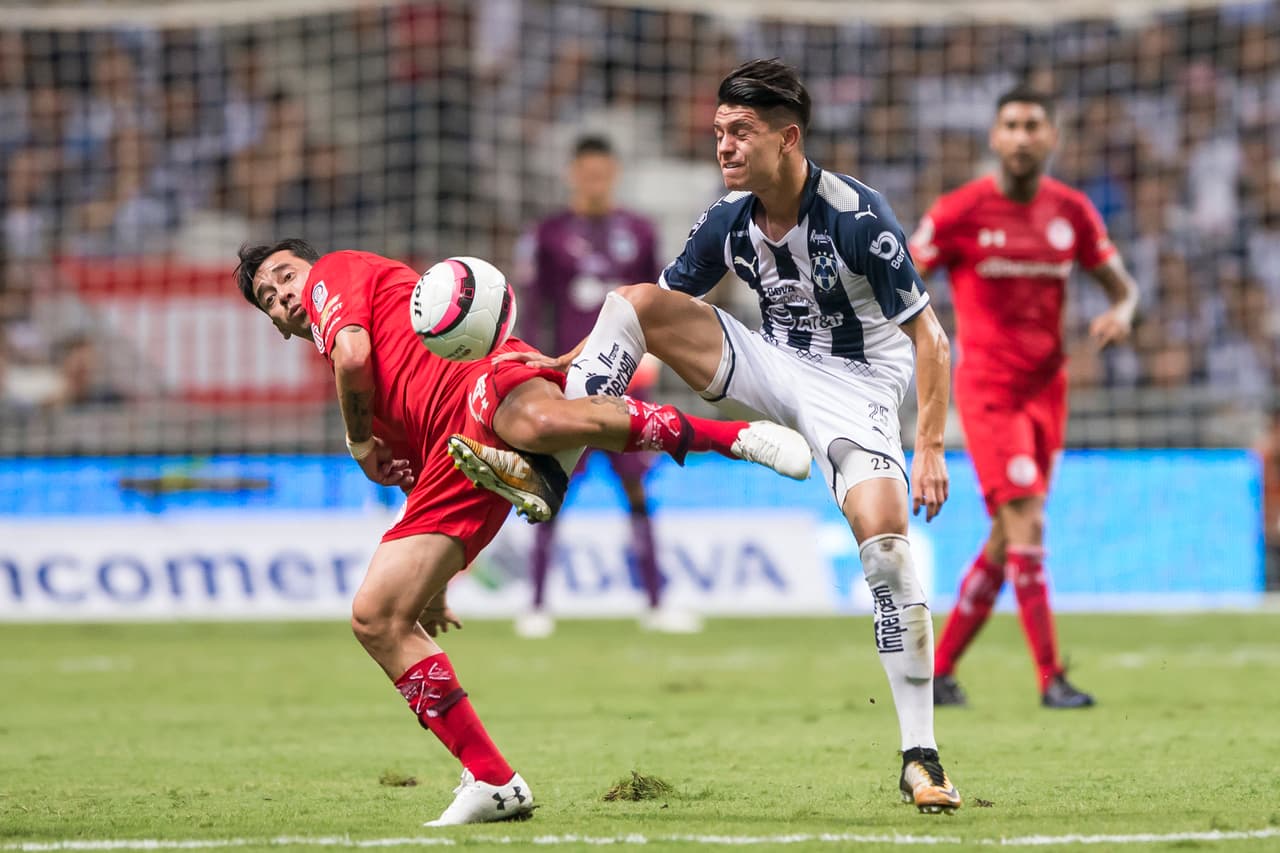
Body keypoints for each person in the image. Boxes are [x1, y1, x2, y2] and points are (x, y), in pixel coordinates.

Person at [473, 59, 962, 814]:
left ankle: (919, 756)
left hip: (857, 390)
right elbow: (650, 309)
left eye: (741, 133)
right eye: (717, 133)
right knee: (633, 302)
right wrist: (573, 359)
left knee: (889, 553)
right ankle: (547, 463)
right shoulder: (728, 216)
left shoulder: (858, 216)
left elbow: (931, 340)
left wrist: (927, 446)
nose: (724, 147)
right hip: (772, 364)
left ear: (788, 138)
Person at [232, 238, 811, 826]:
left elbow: (352, 355)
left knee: (538, 421)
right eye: (270, 299)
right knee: (377, 615)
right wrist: (433, 593)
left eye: (287, 275)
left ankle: (733, 437)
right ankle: (491, 779)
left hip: (479, 375)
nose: (284, 294)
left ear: (314, 270)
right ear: (278, 327)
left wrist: (357, 445)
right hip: (454, 457)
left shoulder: (339, 274)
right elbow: (416, 495)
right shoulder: (376, 402)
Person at [908, 86, 1139, 710]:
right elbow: (902, 278)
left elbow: (1124, 288)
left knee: (1009, 536)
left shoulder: (1073, 211)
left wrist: (1121, 311)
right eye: (1010, 124)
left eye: (1033, 124)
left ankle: (939, 669)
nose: (1021, 135)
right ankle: (1050, 678)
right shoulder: (960, 211)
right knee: (1029, 520)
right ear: (994, 137)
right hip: (988, 391)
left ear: (1051, 137)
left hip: (1048, 393)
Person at [515, 135, 700, 638]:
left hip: (627, 384)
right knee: (550, 489)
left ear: (613, 173)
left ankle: (657, 602)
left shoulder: (637, 231)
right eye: (587, 173)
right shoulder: (548, 234)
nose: (595, 181)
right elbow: (535, 309)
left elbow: (655, 304)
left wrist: (656, 358)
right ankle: (534, 603)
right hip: (568, 386)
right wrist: (535, 374)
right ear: (573, 173)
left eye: (603, 173)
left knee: (637, 486)